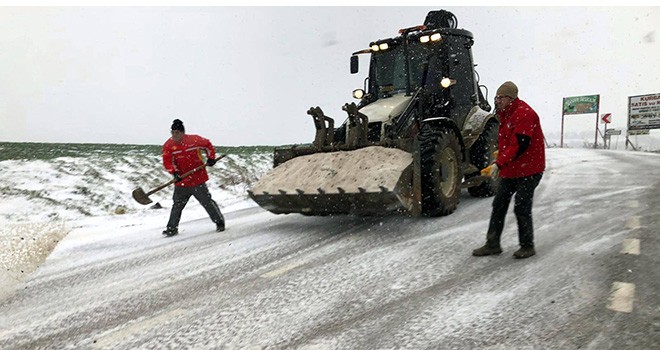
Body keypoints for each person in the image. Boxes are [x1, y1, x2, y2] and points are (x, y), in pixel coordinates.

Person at [472, 81, 545, 259]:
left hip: (530, 169)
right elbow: (509, 142)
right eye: (496, 97)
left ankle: (527, 246)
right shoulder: (504, 114)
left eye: (501, 97)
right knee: (499, 204)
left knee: (521, 205)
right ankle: (492, 244)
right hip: (512, 168)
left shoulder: (525, 114)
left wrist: (499, 163)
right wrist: (501, 155)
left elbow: (520, 144)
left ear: (511, 98)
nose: (497, 101)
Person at [161, 119, 225, 237]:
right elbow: (167, 161)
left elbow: (208, 145)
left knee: (207, 202)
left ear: (182, 132)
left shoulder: (194, 140)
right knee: (177, 205)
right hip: (182, 181)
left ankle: (219, 222)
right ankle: (171, 229)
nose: (174, 135)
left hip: (197, 179)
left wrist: (211, 158)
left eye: (176, 132)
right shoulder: (169, 145)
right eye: (172, 132)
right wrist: (174, 173)